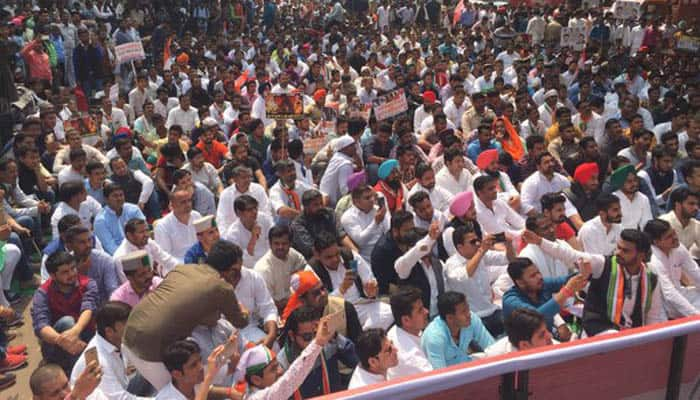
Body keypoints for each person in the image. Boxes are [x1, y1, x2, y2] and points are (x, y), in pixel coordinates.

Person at [122, 240, 249, 390]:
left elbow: (201, 314)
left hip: (130, 330)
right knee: (182, 392)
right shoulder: (221, 287)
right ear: (232, 271)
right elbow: (241, 321)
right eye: (237, 271)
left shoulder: (183, 269)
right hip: (149, 347)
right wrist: (244, 312)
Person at [521, 228, 667, 336]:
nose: (618, 253)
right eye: (618, 248)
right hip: (600, 330)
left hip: (631, 333)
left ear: (641, 255)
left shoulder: (651, 276)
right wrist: (540, 242)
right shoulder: (603, 264)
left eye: (625, 251)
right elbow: (571, 255)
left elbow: (653, 316)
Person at [307, 233, 394, 330]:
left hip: (360, 306)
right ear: (317, 255)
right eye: (329, 257)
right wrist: (342, 289)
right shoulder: (312, 270)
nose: (335, 259)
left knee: (389, 312)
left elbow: (369, 280)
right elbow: (319, 304)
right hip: (335, 313)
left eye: (337, 254)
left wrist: (371, 291)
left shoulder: (350, 256)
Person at [32, 251, 98, 372]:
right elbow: (41, 326)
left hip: (85, 336)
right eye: (65, 272)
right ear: (52, 275)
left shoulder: (88, 284)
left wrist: (75, 331)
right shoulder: (43, 293)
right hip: (55, 344)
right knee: (67, 322)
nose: (72, 274)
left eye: (73, 268)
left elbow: (88, 308)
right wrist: (65, 341)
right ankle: (78, 372)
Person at [445, 224, 513, 337]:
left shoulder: (480, 255)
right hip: (472, 318)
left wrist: (509, 244)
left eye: (477, 240)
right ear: (460, 247)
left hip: (492, 311)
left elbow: (509, 259)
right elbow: (466, 275)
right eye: (472, 242)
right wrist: (481, 251)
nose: (477, 244)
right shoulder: (451, 264)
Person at [69, 301, 146, 399]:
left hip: (123, 386)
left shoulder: (115, 340)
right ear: (109, 331)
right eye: (127, 326)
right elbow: (119, 398)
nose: (134, 328)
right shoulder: (99, 361)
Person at [277, 306, 357, 397]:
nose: (314, 341)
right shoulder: (282, 364)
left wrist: (335, 336)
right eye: (307, 337)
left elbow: (356, 361)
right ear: (292, 336)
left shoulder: (329, 343)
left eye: (316, 334)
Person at [502, 257, 588, 340]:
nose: (539, 277)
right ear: (520, 282)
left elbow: (566, 280)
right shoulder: (511, 301)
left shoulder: (541, 284)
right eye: (533, 276)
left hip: (546, 338)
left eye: (538, 272)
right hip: (525, 347)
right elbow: (536, 318)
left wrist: (584, 272)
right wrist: (566, 291)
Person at [282, 270, 363, 343]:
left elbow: (359, 344)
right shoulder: (294, 319)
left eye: (323, 288)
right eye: (316, 293)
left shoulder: (344, 308)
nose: (323, 294)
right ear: (303, 300)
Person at [421, 291, 494, 369]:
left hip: (466, 368)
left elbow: (492, 347)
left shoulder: (472, 319)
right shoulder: (434, 337)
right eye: (463, 311)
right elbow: (439, 375)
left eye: (468, 309)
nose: (468, 314)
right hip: (447, 376)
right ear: (450, 318)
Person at [644, 219, 700, 318]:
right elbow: (669, 294)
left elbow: (695, 273)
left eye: (674, 233)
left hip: (680, 293)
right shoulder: (654, 261)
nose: (675, 237)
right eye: (669, 237)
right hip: (662, 305)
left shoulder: (678, 248)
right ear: (656, 242)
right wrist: (695, 315)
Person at [394, 223, 446, 318]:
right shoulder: (403, 266)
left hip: (439, 317)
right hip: (417, 320)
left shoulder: (438, 263)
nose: (427, 247)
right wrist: (429, 239)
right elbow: (417, 252)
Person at [254, 225, 307, 312]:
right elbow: (268, 303)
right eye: (276, 243)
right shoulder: (263, 269)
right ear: (270, 244)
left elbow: (304, 266)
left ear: (290, 244)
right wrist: (297, 300)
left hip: (294, 303)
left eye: (284, 243)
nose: (280, 247)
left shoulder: (292, 254)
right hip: (273, 312)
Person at [291, 189, 356, 259]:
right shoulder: (298, 224)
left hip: (336, 252)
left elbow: (341, 235)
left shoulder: (329, 213)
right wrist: (334, 252)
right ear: (306, 207)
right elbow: (311, 249)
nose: (320, 207)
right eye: (316, 205)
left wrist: (355, 252)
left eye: (321, 203)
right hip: (315, 258)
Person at [64, 226, 120, 305]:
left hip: (103, 308)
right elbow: (65, 296)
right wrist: (79, 275)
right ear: (69, 246)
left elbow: (112, 291)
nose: (88, 245)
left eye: (89, 240)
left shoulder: (105, 260)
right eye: (82, 242)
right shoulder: (65, 264)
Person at [386, 286, 433, 379]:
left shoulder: (404, 329)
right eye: (420, 310)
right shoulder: (410, 357)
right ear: (406, 320)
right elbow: (439, 382)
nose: (426, 312)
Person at [113, 218, 178, 279]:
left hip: (153, 282)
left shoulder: (148, 242)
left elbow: (166, 260)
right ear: (129, 235)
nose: (146, 235)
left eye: (147, 230)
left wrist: (184, 269)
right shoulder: (121, 257)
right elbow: (129, 284)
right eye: (141, 232)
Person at [93, 183, 146, 255]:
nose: (119, 199)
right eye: (115, 196)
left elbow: (145, 232)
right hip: (118, 257)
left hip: (141, 249)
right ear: (106, 199)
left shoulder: (133, 209)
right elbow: (110, 247)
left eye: (121, 195)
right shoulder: (101, 221)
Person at [341, 185, 390, 263]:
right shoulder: (348, 217)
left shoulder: (377, 209)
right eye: (367, 198)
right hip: (367, 259)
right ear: (356, 201)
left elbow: (388, 230)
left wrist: (385, 210)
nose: (372, 200)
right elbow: (360, 241)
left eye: (372, 196)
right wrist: (375, 223)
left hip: (385, 252)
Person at [223, 195, 274, 269]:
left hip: (271, 260)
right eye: (250, 210)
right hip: (253, 268)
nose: (255, 212)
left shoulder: (263, 218)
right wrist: (253, 239)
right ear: (239, 213)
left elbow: (273, 241)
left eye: (255, 208)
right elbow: (242, 262)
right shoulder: (232, 235)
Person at [216, 165, 270, 233]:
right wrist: (225, 238)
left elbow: (266, 211)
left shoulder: (259, 189)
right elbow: (221, 219)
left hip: (258, 229)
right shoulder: (225, 194)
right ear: (235, 180)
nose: (247, 180)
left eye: (249, 177)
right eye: (244, 177)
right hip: (234, 233)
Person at [154, 188, 202, 263]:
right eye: (183, 202)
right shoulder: (162, 226)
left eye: (189, 200)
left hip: (199, 261)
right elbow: (164, 257)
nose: (188, 204)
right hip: (177, 266)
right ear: (172, 205)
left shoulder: (197, 216)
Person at [483, 308, 554, 357]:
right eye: (541, 335)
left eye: (547, 330)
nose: (550, 336)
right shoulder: (493, 360)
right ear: (524, 345)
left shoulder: (554, 346)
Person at [268, 159, 314, 227]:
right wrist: (305, 217)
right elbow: (283, 211)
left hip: (301, 224)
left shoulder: (300, 185)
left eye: (293, 170)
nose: (293, 173)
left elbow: (317, 195)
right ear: (280, 174)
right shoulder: (275, 190)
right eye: (289, 171)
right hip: (282, 229)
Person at [660, 188, 700, 259]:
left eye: (697, 204)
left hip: (683, 264)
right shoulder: (663, 222)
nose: (696, 208)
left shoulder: (696, 225)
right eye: (691, 204)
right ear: (678, 205)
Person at [30, 362, 104, 400]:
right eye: (55, 393)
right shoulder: (78, 393)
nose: (64, 394)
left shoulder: (91, 393)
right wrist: (74, 396)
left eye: (65, 386)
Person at [612, 164, 654, 230]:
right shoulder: (612, 199)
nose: (634, 184)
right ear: (620, 184)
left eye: (635, 180)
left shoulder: (643, 198)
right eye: (629, 181)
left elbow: (646, 223)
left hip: (636, 236)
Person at [320, 135, 357, 206]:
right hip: (332, 202)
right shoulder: (345, 164)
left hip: (323, 194)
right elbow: (345, 191)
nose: (355, 148)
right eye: (351, 146)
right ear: (344, 148)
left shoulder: (337, 156)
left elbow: (358, 167)